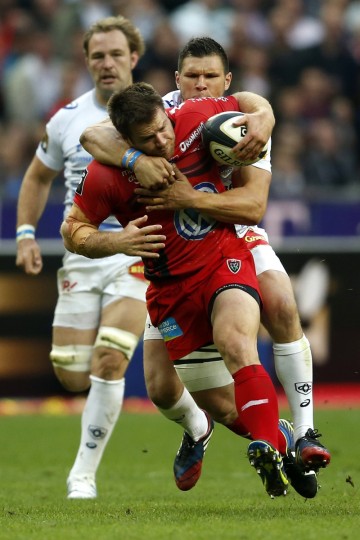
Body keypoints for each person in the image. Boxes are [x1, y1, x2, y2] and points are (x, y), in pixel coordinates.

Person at [80, 38, 330, 496]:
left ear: (226, 82)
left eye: (210, 77)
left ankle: (306, 429)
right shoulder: (161, 112)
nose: (200, 83)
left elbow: (253, 205)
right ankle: (201, 428)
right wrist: (136, 159)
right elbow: (93, 136)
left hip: (231, 231)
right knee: (160, 385)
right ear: (175, 80)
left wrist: (264, 116)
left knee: (278, 301)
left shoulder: (243, 124)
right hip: (168, 257)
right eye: (191, 75)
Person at [15, 16, 155, 500]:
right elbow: (36, 177)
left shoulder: (156, 115)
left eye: (116, 54)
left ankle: (83, 475)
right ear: (87, 61)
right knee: (72, 374)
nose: (107, 63)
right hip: (81, 252)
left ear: (133, 58)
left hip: (136, 249)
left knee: (110, 359)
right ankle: (196, 422)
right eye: (98, 55)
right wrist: (26, 233)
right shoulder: (66, 118)